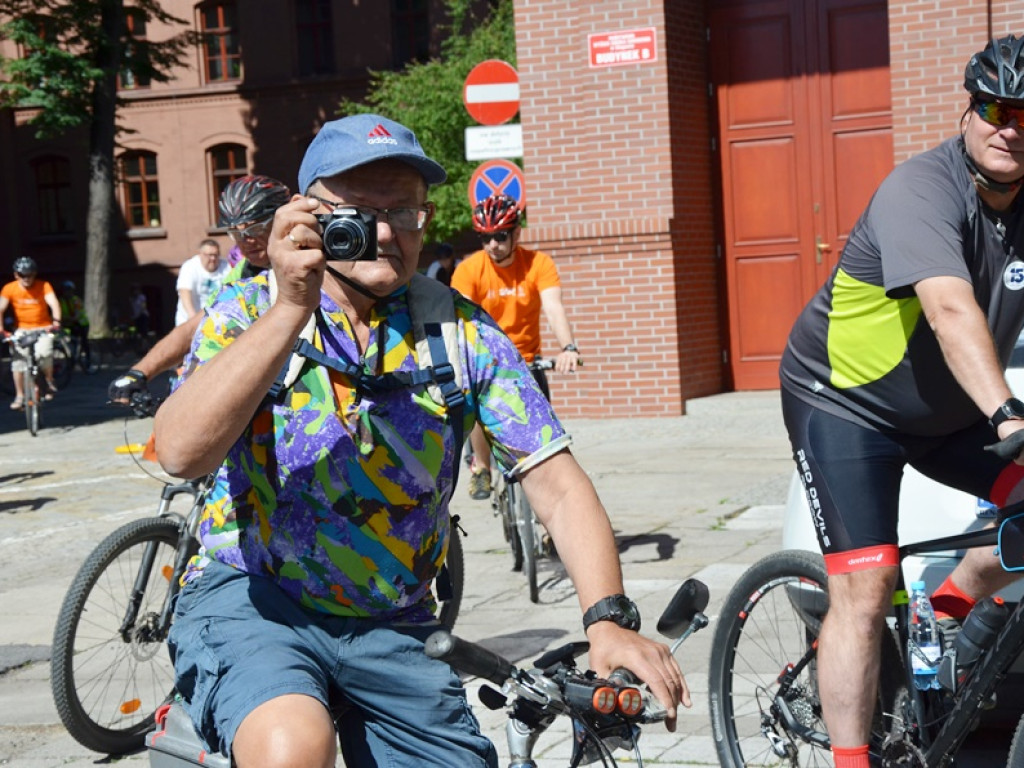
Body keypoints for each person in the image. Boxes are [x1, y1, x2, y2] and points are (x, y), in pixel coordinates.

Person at [151, 113, 688, 768]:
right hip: (255, 599)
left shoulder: (460, 333)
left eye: (402, 212)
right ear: (308, 218)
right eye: (358, 212)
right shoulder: (247, 311)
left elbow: (557, 481)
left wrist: (607, 618)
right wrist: (292, 306)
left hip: (391, 618)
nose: (383, 233)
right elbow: (179, 453)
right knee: (293, 745)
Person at [779, 35, 1024, 768]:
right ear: (969, 111)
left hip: (946, 413)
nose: (1009, 125)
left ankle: (946, 610)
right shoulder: (923, 189)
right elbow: (950, 311)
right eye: (993, 107)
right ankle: (851, 761)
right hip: (847, 405)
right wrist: (1008, 412)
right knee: (867, 582)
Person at [108, 175, 290, 404]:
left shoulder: (311, 260)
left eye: (255, 229)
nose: (246, 241)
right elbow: (200, 323)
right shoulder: (243, 271)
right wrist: (140, 371)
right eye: (235, 232)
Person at [450, 193, 582, 500]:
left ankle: (548, 524)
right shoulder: (469, 270)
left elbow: (553, 308)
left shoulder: (538, 264)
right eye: (484, 238)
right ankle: (482, 466)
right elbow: (463, 318)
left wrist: (568, 348)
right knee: (479, 409)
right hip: (485, 360)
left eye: (500, 236)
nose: (492, 245)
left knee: (545, 443)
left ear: (516, 233)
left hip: (527, 362)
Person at [0, 256, 61, 408]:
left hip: (44, 327)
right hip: (22, 329)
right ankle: (19, 395)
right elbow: (0, 309)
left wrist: (56, 323)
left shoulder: (44, 285)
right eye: (23, 275)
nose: (27, 278)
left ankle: (48, 380)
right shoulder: (9, 288)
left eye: (30, 275)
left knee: (44, 354)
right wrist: (1, 329)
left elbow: (54, 303)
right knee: (18, 363)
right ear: (16, 275)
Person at [174, 238, 229, 326]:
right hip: (190, 319)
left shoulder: (226, 267)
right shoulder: (190, 267)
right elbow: (184, 292)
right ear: (200, 254)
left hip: (216, 321)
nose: (213, 258)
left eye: (216, 255)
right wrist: (193, 320)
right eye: (209, 255)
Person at [58, 280, 91, 371]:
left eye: (68, 290)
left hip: (82, 324)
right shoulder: (61, 301)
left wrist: (65, 319)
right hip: (71, 324)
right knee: (73, 343)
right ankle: (72, 362)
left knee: (84, 342)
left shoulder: (76, 300)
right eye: (65, 290)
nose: (66, 293)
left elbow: (77, 315)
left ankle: (88, 361)